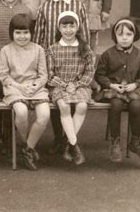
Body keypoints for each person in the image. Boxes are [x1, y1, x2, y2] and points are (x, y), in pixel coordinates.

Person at [33, 0, 90, 155]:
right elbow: (38, 38)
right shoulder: (44, 7)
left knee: (76, 102)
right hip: (53, 66)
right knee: (59, 103)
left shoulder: (78, 6)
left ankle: (68, 141)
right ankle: (60, 138)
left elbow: (85, 36)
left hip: (75, 64)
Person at [95, 17, 140, 162]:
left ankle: (135, 141)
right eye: (121, 35)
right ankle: (115, 142)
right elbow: (100, 75)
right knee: (116, 105)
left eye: (128, 35)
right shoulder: (107, 54)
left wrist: (136, 84)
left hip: (132, 91)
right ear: (115, 36)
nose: (125, 38)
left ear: (134, 36)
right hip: (114, 91)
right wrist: (111, 85)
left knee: (136, 105)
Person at [0, 0, 32, 156]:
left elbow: (29, 36)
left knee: (14, 98)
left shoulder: (26, 11)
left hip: (20, 62)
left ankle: (10, 136)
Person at [0, 14, 50, 170]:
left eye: (26, 32)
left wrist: (35, 85)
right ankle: (25, 142)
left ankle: (28, 148)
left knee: (44, 115)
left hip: (35, 88)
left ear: (31, 32)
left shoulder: (38, 49)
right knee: (21, 112)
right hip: (14, 88)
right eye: (18, 33)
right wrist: (19, 87)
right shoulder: (6, 50)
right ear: (12, 33)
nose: (22, 36)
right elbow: (3, 76)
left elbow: (44, 74)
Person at [46, 11, 95, 166]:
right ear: (59, 28)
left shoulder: (85, 48)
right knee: (64, 106)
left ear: (77, 27)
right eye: (64, 26)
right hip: (59, 85)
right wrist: (64, 85)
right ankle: (74, 145)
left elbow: (89, 71)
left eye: (71, 25)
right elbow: (49, 74)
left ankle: (68, 144)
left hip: (80, 85)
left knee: (82, 106)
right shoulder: (53, 49)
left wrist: (77, 84)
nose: (68, 30)